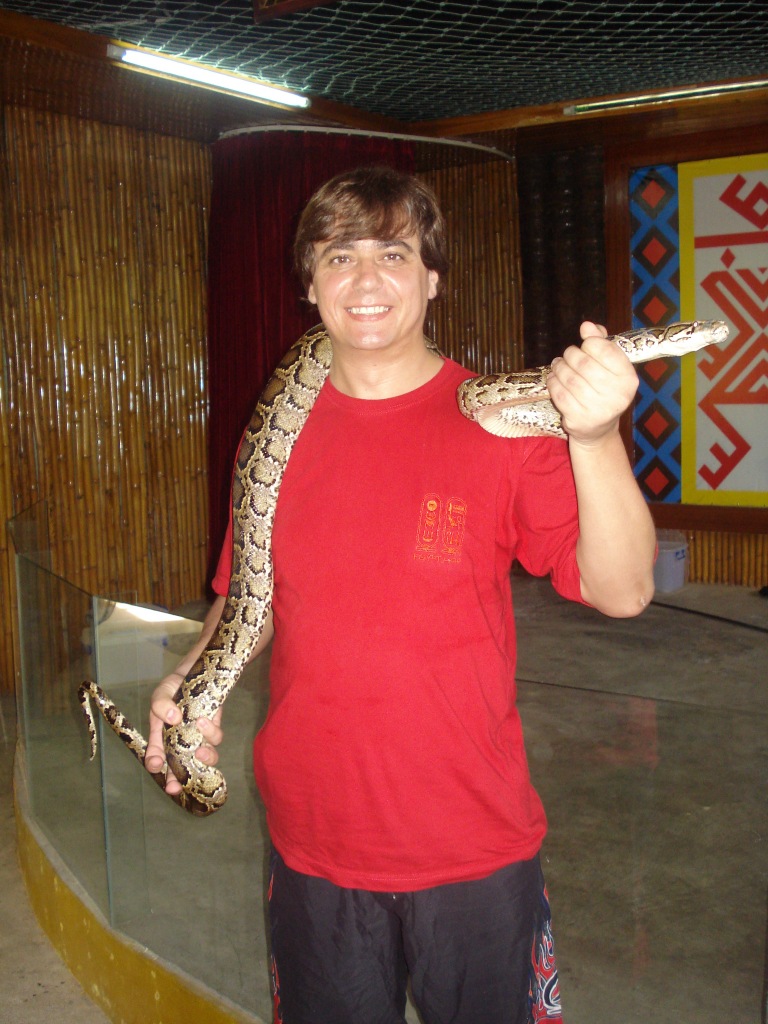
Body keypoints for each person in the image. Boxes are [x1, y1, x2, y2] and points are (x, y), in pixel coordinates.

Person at [146, 166, 656, 1024]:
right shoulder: (274, 439)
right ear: (310, 284)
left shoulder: (499, 419)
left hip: (473, 843)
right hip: (312, 840)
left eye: (394, 253)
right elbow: (250, 598)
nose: (366, 279)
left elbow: (627, 589)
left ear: (432, 278)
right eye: (339, 256)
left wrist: (596, 434)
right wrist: (194, 683)